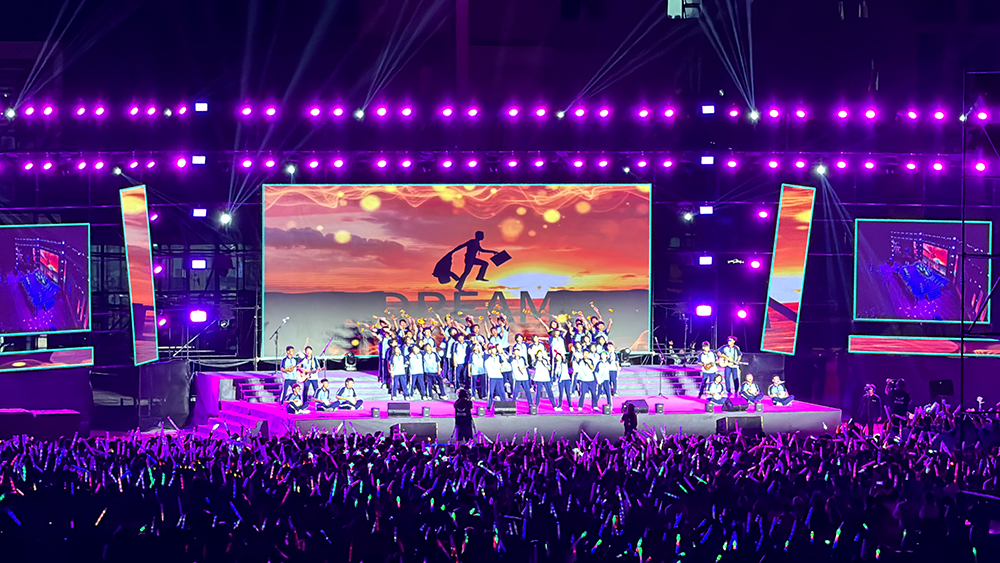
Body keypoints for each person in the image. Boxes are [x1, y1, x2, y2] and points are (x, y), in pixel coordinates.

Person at [485, 346, 507, 411]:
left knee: (501, 391)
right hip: (492, 376)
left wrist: (502, 368)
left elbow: (502, 363)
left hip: (499, 376)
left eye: (494, 349)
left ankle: (504, 404)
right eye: (492, 350)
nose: (493, 351)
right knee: (491, 392)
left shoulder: (498, 357)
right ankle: (489, 405)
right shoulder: (487, 357)